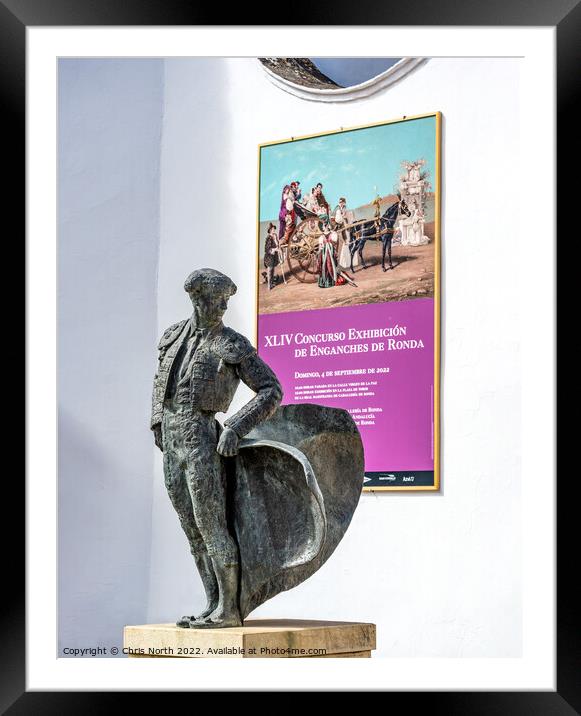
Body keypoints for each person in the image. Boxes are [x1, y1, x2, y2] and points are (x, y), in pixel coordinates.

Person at [150, 269, 283, 628]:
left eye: (227, 299)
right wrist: (158, 425)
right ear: (197, 298)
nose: (224, 305)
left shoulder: (232, 343)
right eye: (219, 298)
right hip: (174, 440)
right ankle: (213, 603)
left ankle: (228, 609)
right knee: (190, 527)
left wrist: (236, 428)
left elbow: (271, 389)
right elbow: (162, 384)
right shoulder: (173, 336)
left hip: (201, 437)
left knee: (210, 525)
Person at [334, 197, 359, 269]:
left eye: (342, 202)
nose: (341, 203)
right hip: (342, 225)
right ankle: (344, 263)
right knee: (346, 242)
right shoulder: (337, 208)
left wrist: (347, 218)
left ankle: (353, 262)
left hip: (347, 225)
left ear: (344, 203)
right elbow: (336, 218)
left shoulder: (346, 208)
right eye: (340, 202)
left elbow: (349, 216)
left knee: (351, 241)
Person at [316, 221, 339, 288]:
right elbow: (320, 246)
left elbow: (335, 243)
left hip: (330, 252)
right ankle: (325, 282)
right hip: (323, 253)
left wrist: (330, 245)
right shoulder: (321, 236)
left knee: (330, 265)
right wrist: (320, 251)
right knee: (324, 266)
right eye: (324, 226)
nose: (325, 227)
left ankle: (330, 281)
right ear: (323, 227)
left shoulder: (333, 234)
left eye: (326, 226)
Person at [263, 222, 281, 290]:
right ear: (270, 230)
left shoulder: (275, 235)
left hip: (274, 256)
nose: (274, 230)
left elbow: (277, 244)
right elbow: (267, 249)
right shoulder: (269, 238)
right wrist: (275, 249)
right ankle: (268, 286)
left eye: (274, 228)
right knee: (270, 270)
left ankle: (271, 283)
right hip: (269, 256)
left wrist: (278, 248)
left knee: (273, 270)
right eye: (273, 229)